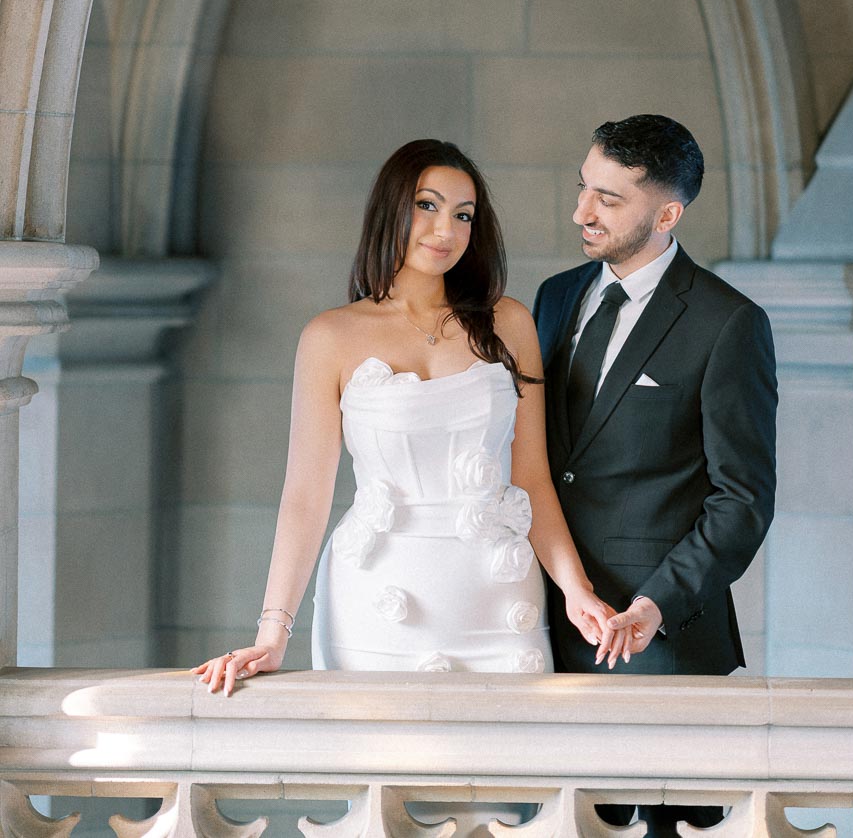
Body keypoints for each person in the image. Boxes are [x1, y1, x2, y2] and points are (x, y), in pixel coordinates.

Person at [194, 138, 610, 693]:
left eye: (464, 215)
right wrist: (273, 633)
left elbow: (531, 477)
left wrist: (575, 589)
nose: (446, 230)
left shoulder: (508, 322)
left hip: (498, 592)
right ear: (391, 207)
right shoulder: (330, 336)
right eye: (427, 205)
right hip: (377, 593)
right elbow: (305, 496)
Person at [533, 115, 777, 838]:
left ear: (667, 214)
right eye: (584, 189)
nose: (582, 212)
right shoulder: (552, 297)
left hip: (662, 644)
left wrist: (655, 605)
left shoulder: (729, 323)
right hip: (543, 629)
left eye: (608, 199)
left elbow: (744, 502)